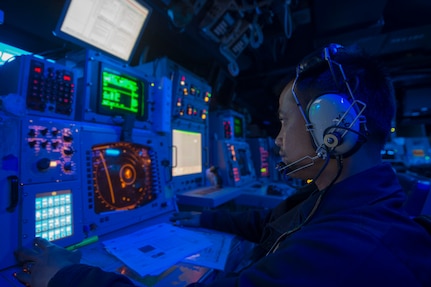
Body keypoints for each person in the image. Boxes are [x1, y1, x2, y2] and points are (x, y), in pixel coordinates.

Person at [14, 44, 431, 287]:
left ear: (332, 130)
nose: (277, 139)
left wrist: (63, 278)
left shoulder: (348, 249)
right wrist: (191, 221)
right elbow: (266, 222)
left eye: (285, 122)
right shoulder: (343, 197)